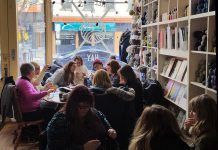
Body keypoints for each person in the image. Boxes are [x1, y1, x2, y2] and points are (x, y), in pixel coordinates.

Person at [47, 85, 117, 150]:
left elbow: (102, 118)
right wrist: (83, 148)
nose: (86, 109)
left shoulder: (91, 111)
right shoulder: (60, 120)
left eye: (88, 106)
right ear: (73, 105)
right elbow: (55, 146)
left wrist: (109, 129)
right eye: (82, 107)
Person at [90, 69, 137, 150]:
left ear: (94, 80)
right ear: (108, 79)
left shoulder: (90, 95)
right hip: (118, 128)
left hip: (98, 130)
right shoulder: (117, 93)